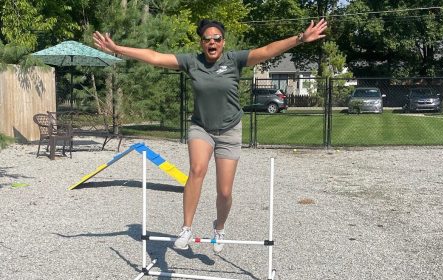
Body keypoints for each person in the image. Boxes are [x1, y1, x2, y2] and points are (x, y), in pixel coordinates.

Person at [93, 18, 327, 253]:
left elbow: (266, 51)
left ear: (223, 42)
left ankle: (219, 227)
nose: (212, 42)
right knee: (196, 170)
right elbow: (154, 56)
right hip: (201, 127)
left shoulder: (234, 60)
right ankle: (186, 228)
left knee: (224, 191)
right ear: (202, 42)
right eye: (207, 39)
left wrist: (300, 38)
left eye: (217, 38)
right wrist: (117, 49)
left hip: (229, 129)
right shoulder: (191, 62)